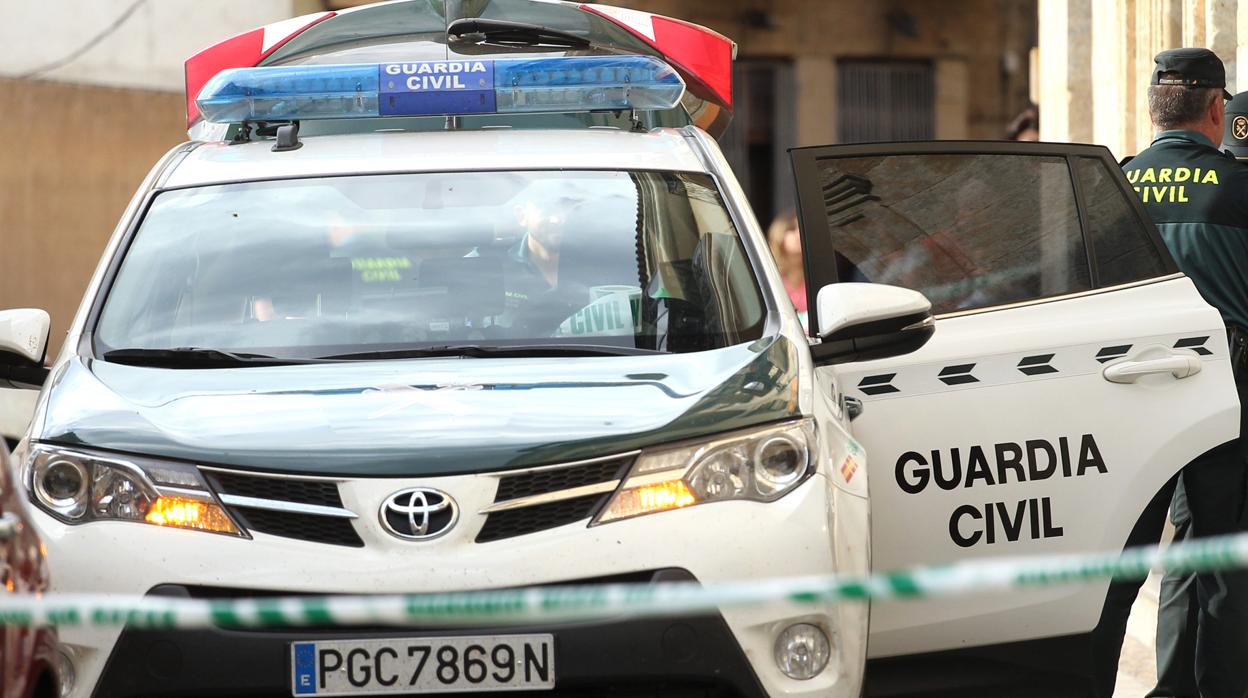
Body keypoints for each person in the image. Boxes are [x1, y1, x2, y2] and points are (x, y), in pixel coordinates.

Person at [1097, 47, 1248, 698]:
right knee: (1215, 544)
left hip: (1124, 378)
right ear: (1216, 107)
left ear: (1154, 109)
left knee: (1119, 555)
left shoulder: (1115, 184)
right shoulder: (1238, 186)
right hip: (1223, 373)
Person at [766, 210, 807, 328]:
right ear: (779, 234)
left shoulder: (816, 275)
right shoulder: (771, 277)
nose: (799, 234)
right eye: (792, 229)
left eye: (802, 229)